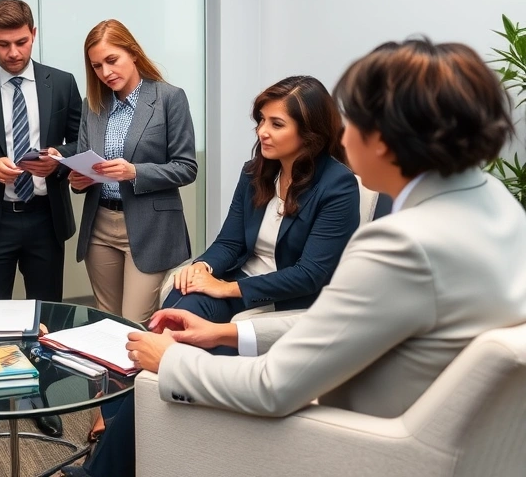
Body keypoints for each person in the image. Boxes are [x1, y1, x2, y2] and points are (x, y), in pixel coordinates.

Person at [64, 38, 526, 477]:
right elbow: (344, 324)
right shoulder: (501, 208)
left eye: (351, 121)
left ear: (384, 139)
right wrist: (225, 332)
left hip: (356, 442)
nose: (342, 135)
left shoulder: (400, 245)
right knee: (186, 325)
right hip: (465, 447)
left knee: (162, 370)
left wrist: (171, 361)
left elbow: (273, 387)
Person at [0, 0, 82, 439]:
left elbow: (81, 140)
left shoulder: (62, 83)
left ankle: (39, 397)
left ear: (34, 34)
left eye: (21, 42)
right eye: (3, 44)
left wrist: (59, 158)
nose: (13, 52)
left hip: (45, 216)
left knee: (45, 313)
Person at [162, 75, 361, 331]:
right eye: (261, 120)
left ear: (310, 132)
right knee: (179, 304)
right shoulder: (254, 172)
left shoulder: (338, 185)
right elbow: (230, 242)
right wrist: (202, 267)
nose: (262, 132)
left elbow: (309, 274)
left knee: (190, 333)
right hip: (243, 279)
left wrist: (226, 288)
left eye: (276, 124)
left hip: (288, 297)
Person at [71, 19, 198, 324]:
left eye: (112, 60)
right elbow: (84, 160)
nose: (106, 72)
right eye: (97, 66)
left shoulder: (169, 98)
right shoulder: (93, 105)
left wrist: (134, 172)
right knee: (106, 321)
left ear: (133, 53)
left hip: (150, 226)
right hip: (100, 224)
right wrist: (79, 180)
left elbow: (186, 167)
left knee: (133, 323)